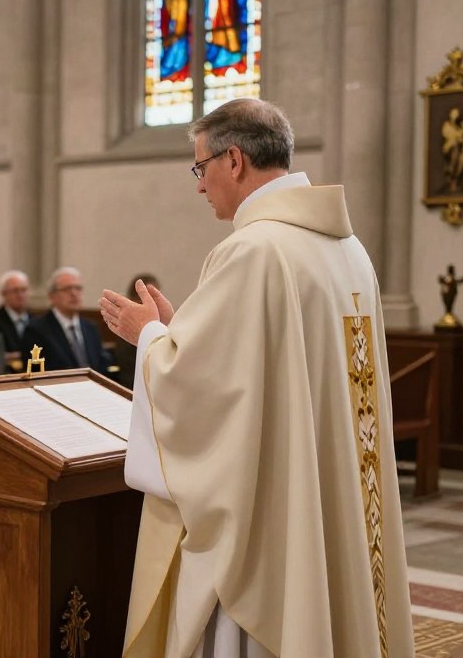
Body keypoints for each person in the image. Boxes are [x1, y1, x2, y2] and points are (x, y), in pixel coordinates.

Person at [99, 98, 413, 657]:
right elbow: (263, 364)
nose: (200, 186)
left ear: (234, 160)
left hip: (274, 519)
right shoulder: (347, 249)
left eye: (201, 168)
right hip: (332, 487)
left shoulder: (253, 250)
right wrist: (181, 330)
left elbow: (202, 400)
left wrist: (148, 339)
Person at [22, 267, 108, 375]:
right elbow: (36, 373)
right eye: (67, 289)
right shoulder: (36, 330)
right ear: (52, 296)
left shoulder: (91, 328)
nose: (74, 293)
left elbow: (102, 368)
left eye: (77, 288)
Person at [112, 273, 160, 386]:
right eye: (152, 297)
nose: (157, 302)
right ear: (136, 300)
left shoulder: (161, 325)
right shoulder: (128, 332)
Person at [0, 269, 31, 353]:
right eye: (15, 291)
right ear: (3, 294)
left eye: (24, 290)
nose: (20, 295)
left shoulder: (37, 322)